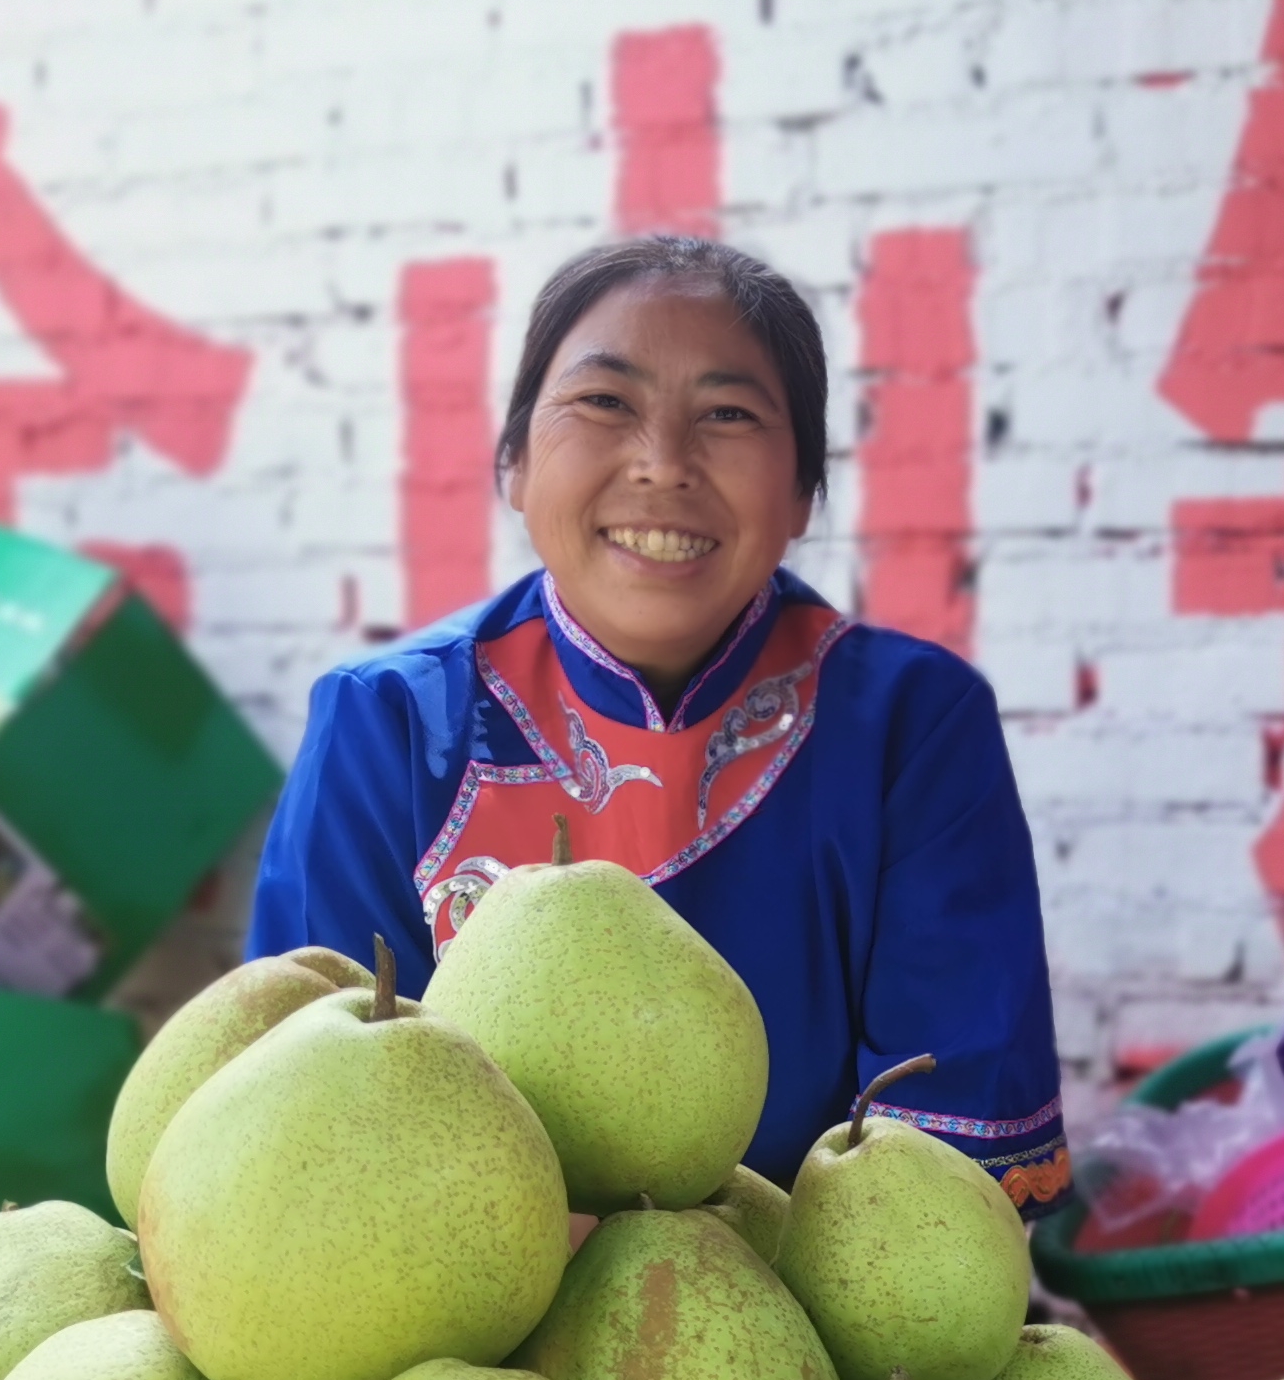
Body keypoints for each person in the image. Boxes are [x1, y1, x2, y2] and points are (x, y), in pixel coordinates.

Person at [249, 233, 1066, 1213]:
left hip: (821, 1342)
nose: (663, 464)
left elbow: (948, 1175)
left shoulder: (913, 729)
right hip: (457, 1330)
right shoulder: (387, 726)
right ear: (512, 464)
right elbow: (314, 1128)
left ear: (804, 491)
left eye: (727, 414)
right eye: (605, 403)